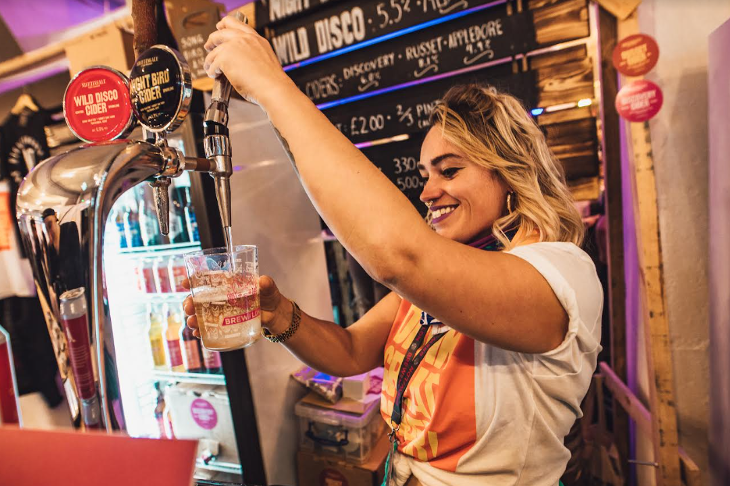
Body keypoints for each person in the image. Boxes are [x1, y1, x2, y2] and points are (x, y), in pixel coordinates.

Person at [183, 17, 603, 486]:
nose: (428, 192)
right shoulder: (450, 270)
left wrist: (272, 86)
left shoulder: (561, 273)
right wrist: (278, 314)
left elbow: (399, 258)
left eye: (449, 171)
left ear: (509, 171)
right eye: (426, 174)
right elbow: (351, 349)